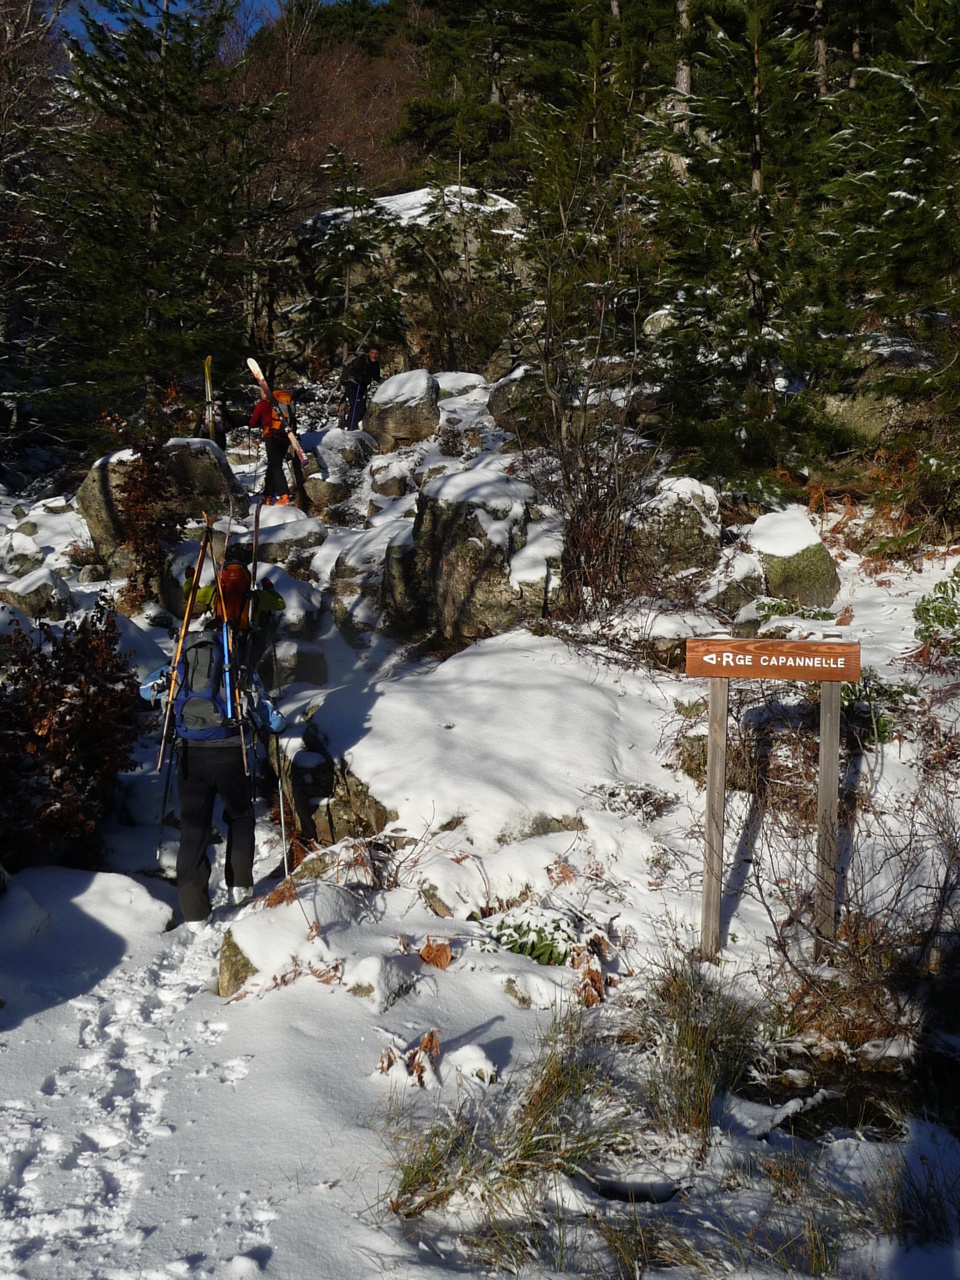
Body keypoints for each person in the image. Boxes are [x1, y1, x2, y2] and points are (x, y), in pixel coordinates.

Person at [170, 561, 286, 927]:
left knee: (193, 828)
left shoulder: (183, 663)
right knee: (239, 814)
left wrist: (190, 581)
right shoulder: (238, 667)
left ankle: (194, 912)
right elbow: (270, 718)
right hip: (229, 750)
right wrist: (275, 726)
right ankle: (241, 884)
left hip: (188, 754)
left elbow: (148, 691)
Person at [250, 385, 299, 505]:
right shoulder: (283, 402)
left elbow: (253, 423)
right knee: (273, 465)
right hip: (286, 437)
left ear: (264, 393)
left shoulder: (263, 404)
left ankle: (284, 495)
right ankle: (268, 496)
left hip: (272, 437)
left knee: (275, 466)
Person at [338, 345, 381, 430]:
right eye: (372, 353)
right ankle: (350, 428)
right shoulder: (362, 360)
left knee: (361, 408)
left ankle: (355, 427)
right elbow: (352, 371)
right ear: (369, 353)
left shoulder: (375, 364)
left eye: (376, 354)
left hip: (362, 387)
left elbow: (376, 377)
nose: (374, 355)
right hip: (353, 385)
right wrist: (361, 377)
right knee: (356, 407)